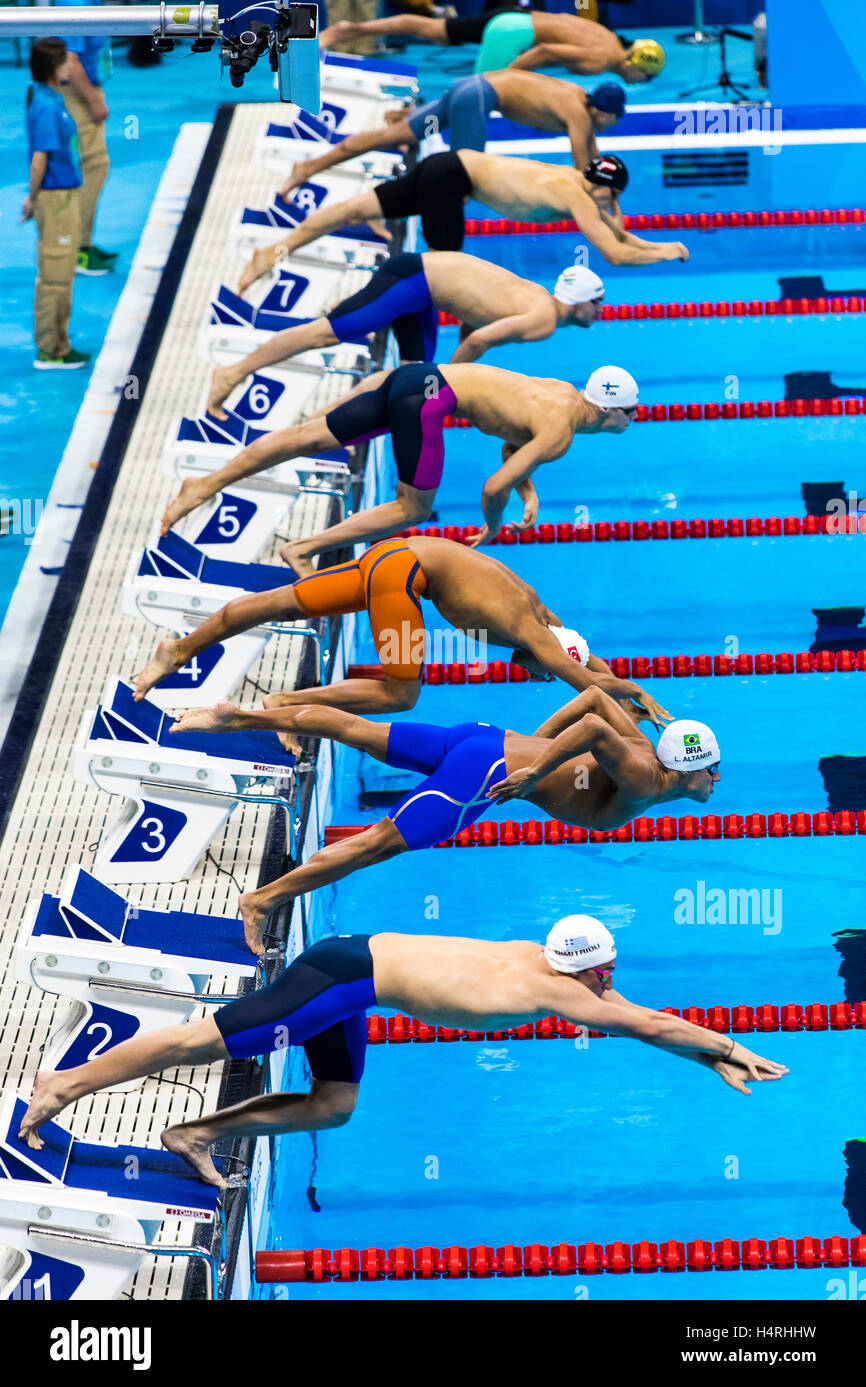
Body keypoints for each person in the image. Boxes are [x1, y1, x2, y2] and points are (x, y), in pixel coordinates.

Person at [19, 916, 788, 1182]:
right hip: (338, 982)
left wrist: (707, 1055)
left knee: (335, 1103)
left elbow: (630, 1011)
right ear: (580, 968)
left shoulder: (539, 957)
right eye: (603, 970)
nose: (610, 979)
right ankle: (64, 1084)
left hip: (351, 967)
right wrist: (729, 1044)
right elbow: (644, 1023)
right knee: (197, 1043)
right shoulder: (560, 988)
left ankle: (194, 1134)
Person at [166, 700, 720, 952]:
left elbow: (599, 697)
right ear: (688, 767)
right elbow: (596, 722)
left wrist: (536, 750)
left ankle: (239, 716)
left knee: (361, 730)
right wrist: (533, 774)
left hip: (482, 737)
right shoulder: (645, 779)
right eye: (711, 768)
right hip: (487, 770)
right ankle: (262, 901)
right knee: (376, 846)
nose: (716, 778)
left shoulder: (645, 751)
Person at [132, 534, 672, 730]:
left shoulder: (540, 612)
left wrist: (627, 693)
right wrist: (639, 697)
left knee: (270, 605)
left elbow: (585, 664)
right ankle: (286, 702)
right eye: (543, 668)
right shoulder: (531, 633)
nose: (535, 673)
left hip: (391, 555)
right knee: (400, 694)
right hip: (400, 580)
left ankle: (175, 650)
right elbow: (586, 682)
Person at [161, 360, 639, 568]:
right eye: (631, 412)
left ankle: (205, 484)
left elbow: (515, 444)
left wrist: (528, 492)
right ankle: (304, 549)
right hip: (425, 406)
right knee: (411, 510)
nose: (635, 419)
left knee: (305, 438)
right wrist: (492, 529)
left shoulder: (560, 393)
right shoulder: (561, 434)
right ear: (607, 410)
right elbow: (494, 487)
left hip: (417, 378)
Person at [207, 254, 606, 418]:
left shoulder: (539, 300)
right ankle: (233, 372)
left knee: (411, 372)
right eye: (598, 303)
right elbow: (479, 341)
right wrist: (450, 381)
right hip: (412, 281)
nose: (601, 312)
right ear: (580, 301)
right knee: (325, 334)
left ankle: (320, 420)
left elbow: (476, 323)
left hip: (422, 289)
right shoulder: (543, 320)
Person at [237, 149, 687, 289]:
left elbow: (618, 232)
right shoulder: (578, 196)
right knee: (443, 272)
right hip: (450, 183)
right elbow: (613, 253)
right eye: (615, 198)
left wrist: (656, 244)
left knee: (353, 210)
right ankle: (379, 310)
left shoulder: (575, 181)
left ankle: (271, 252)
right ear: (607, 189)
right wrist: (664, 253)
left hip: (447, 166)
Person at [279, 74, 627, 193]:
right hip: (475, 101)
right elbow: (588, 174)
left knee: (397, 135)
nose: (615, 124)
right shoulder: (579, 115)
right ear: (607, 112)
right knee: (464, 181)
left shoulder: (575, 96)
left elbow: (592, 153)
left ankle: (307, 168)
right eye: (617, 118)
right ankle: (404, 206)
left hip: (468, 88)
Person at [319, 9, 666, 85]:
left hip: (513, 19)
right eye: (646, 77)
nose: (642, 81)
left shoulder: (606, 35)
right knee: (482, 90)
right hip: (513, 34)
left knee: (434, 30)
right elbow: (544, 53)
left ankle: (350, 29)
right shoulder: (603, 57)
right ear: (639, 65)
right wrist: (508, 75)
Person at [22, 39, 90, 371]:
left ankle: (58, 341)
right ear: (53, 66)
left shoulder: (48, 95)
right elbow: (39, 160)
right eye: (65, 61)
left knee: (61, 275)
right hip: (56, 198)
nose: (70, 66)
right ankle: (51, 349)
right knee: (55, 278)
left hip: (63, 195)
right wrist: (32, 199)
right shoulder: (47, 105)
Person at [55, 0, 116, 274]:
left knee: (92, 167)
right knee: (93, 166)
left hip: (84, 90)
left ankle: (83, 243)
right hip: (76, 94)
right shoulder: (75, 1)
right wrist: (93, 101)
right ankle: (76, 249)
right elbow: (69, 64)